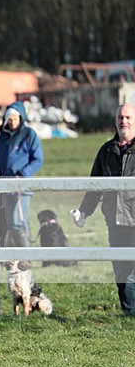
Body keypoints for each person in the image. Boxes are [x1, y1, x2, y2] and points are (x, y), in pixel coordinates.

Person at [72, 103, 135, 315]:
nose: (124, 121)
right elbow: (95, 186)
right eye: (120, 118)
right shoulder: (107, 150)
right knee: (121, 270)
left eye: (128, 117)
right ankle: (128, 313)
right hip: (115, 220)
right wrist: (84, 212)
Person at [0, 101, 44, 247]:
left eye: (15, 118)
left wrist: (22, 174)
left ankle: (26, 257)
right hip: (4, 186)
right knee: (8, 223)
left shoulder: (29, 135)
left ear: (20, 118)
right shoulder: (2, 139)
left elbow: (37, 159)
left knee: (18, 221)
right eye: (10, 118)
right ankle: (14, 258)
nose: (12, 121)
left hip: (21, 186)